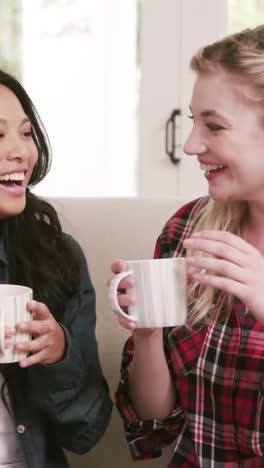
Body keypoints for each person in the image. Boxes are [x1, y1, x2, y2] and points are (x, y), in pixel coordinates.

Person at [110, 24, 264, 467]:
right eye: (194, 121)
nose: (192, 144)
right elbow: (158, 418)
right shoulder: (188, 227)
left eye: (213, 125)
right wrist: (148, 333)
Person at [0, 69, 112, 467]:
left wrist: (58, 354)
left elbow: (87, 432)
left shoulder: (57, 258)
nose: (19, 151)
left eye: (26, 133)